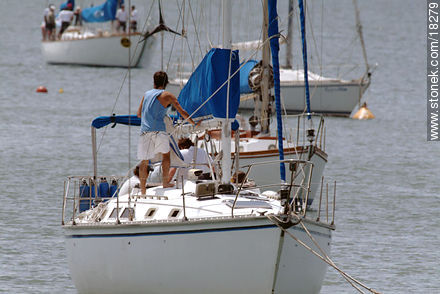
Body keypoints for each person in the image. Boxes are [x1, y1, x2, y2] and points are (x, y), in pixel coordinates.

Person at [137, 71, 198, 194]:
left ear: (154, 82)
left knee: (144, 161)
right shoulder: (167, 95)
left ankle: (143, 189)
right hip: (159, 131)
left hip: (145, 132)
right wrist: (194, 123)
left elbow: (139, 114)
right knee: (166, 156)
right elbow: (182, 112)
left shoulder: (146, 94)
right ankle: (165, 182)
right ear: (166, 83)